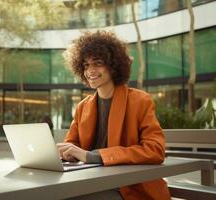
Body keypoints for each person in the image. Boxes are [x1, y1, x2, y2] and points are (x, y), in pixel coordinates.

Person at [57, 31, 171, 200]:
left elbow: (155, 151)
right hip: (89, 182)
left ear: (114, 65)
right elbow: (72, 144)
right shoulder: (83, 106)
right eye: (86, 65)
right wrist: (66, 152)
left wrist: (92, 156)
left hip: (130, 188)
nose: (90, 70)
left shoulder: (140, 101)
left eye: (98, 63)